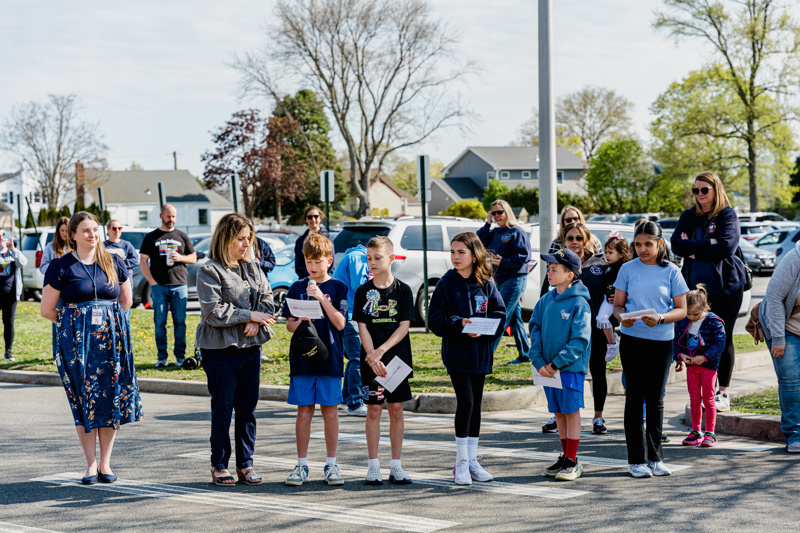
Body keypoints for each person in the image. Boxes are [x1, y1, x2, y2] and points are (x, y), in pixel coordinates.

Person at [40, 211, 142, 485]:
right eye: (85, 230)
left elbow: (126, 301)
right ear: (72, 234)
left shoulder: (114, 262)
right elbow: (47, 310)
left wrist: (108, 324)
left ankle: (106, 464)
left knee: (109, 400)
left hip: (111, 343)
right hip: (77, 346)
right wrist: (77, 324)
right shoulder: (61, 266)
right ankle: (90, 464)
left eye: (95, 229)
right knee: (84, 401)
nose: (92, 234)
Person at [195, 213, 276, 486]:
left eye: (248, 239)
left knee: (247, 409)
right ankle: (219, 464)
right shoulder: (209, 270)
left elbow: (268, 299)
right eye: (240, 239)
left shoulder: (252, 267)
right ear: (226, 238)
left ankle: (246, 464)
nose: (246, 244)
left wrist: (256, 318)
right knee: (223, 408)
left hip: (250, 347)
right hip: (220, 349)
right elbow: (214, 311)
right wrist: (249, 316)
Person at [429, 232, 506, 485]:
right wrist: (459, 323)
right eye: (452, 252)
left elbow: (499, 314)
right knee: (466, 403)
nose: (455, 257)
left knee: (476, 407)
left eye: (461, 252)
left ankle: (473, 462)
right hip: (457, 355)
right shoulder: (445, 284)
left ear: (474, 254)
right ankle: (460, 463)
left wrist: (485, 328)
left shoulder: (486, 282)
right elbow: (435, 321)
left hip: (480, 354)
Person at [613, 221, 688, 478]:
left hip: (662, 341)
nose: (642, 249)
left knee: (656, 400)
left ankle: (656, 458)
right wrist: (624, 318)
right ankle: (636, 460)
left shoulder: (672, 271)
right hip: (633, 340)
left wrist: (661, 318)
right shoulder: (626, 269)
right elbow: (618, 306)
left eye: (648, 244)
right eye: (638, 244)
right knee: (634, 398)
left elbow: (682, 310)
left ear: (660, 244)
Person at [671, 171, 744, 411]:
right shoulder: (689, 216)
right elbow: (676, 245)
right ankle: (703, 392)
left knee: (723, 338)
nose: (700, 195)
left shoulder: (726, 214)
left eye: (705, 190)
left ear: (716, 190)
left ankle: (722, 391)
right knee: (698, 340)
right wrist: (708, 244)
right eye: (696, 190)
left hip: (726, 289)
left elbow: (727, 247)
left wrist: (693, 248)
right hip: (696, 292)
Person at [282, 233, 348, 487]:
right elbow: (289, 325)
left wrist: (321, 298)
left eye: (318, 261)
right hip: (303, 359)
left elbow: (341, 323)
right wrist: (299, 321)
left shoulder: (338, 287)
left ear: (329, 261)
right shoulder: (297, 287)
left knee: (330, 411)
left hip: (330, 357)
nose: (313, 266)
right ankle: (301, 465)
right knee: (304, 411)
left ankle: (331, 464)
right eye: (309, 261)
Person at [541, 223, 612, 436]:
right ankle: (558, 414)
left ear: (587, 240)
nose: (575, 242)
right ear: (563, 241)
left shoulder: (599, 262)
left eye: (579, 238)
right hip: (563, 331)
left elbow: (613, 288)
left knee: (598, 371)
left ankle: (598, 417)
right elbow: (547, 298)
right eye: (570, 238)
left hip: (594, 328)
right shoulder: (557, 265)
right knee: (561, 371)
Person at [354, 236, 414, 485]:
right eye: (369, 258)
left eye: (377, 257)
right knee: (374, 410)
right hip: (372, 361)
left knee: (397, 410)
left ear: (391, 259)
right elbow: (363, 327)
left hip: (396, 360)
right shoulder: (363, 291)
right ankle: (373, 466)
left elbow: (404, 327)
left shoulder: (403, 290)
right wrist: (372, 357)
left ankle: (396, 466)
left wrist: (382, 351)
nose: (372, 262)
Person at [529, 248, 592, 481]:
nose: (549, 272)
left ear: (570, 275)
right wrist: (538, 360)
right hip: (547, 369)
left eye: (554, 269)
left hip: (568, 370)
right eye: (549, 268)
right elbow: (534, 329)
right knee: (558, 412)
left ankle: (573, 460)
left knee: (570, 412)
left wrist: (556, 364)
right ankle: (565, 456)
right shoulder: (545, 301)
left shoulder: (579, 303)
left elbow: (580, 340)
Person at [140, 204, 197, 368]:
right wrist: (152, 282)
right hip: (159, 286)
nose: (171, 219)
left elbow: (193, 258)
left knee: (180, 321)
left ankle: (180, 357)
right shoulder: (151, 237)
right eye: (168, 216)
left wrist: (180, 258)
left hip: (179, 285)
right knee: (160, 322)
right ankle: (161, 358)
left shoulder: (182, 236)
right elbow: (143, 261)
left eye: (173, 216)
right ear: (161, 216)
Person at [477, 199, 532, 365]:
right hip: (499, 279)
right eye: (493, 213)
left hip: (514, 279)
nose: (497, 216)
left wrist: (504, 262)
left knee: (500, 316)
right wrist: (487, 224)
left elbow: (524, 257)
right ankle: (525, 354)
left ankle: (486, 357)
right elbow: (479, 241)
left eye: (499, 212)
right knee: (515, 319)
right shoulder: (494, 232)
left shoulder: (516, 232)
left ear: (507, 212)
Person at [759, 238, 800, 453]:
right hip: (785, 326)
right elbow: (774, 297)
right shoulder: (795, 258)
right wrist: (778, 338)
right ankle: (794, 435)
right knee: (791, 380)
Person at [673, 285, 726, 448]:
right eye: (687, 314)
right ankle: (696, 431)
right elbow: (676, 341)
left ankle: (710, 432)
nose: (691, 317)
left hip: (708, 366)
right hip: (691, 367)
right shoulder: (684, 322)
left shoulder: (714, 322)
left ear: (705, 307)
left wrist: (704, 358)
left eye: (695, 314)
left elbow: (719, 343)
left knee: (709, 399)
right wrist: (680, 356)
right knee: (694, 399)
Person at [332, 242, 370, 417]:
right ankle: (355, 403)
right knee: (358, 357)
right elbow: (359, 285)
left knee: (354, 357)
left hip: (349, 312)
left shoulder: (354, 255)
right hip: (350, 313)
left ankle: (344, 397)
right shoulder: (358, 257)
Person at [596, 232, 632, 361]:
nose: (607, 255)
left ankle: (612, 344)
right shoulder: (608, 267)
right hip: (608, 298)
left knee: (602, 318)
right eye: (606, 252)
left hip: (614, 300)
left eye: (610, 253)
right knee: (601, 319)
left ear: (621, 254)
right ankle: (612, 339)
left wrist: (622, 297)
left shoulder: (622, 269)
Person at [40, 216, 71, 360]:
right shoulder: (50, 247)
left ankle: (70, 353)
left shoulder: (76, 247)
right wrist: (56, 268)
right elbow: (42, 267)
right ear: (58, 232)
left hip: (71, 288)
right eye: (62, 231)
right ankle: (56, 354)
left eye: (67, 230)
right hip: (56, 289)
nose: (65, 234)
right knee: (57, 322)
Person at [0, 230, 27, 361]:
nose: (1, 238)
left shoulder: (13, 252)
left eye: (3, 236)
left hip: (10, 295)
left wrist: (12, 249)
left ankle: (8, 352)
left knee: (8, 322)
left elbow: (23, 263)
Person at [104, 220, 139, 320]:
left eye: (119, 228)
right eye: (114, 228)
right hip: (108, 285)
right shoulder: (102, 246)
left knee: (124, 316)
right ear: (108, 229)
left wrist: (118, 266)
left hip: (125, 284)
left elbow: (135, 260)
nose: (117, 231)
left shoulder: (127, 245)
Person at [294, 206, 334, 279]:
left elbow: (331, 264)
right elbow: (299, 265)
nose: (313, 219)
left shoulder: (327, 238)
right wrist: (310, 278)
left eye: (316, 216)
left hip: (324, 281)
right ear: (306, 220)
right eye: (310, 217)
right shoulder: (300, 241)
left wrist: (323, 280)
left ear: (320, 218)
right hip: (307, 281)